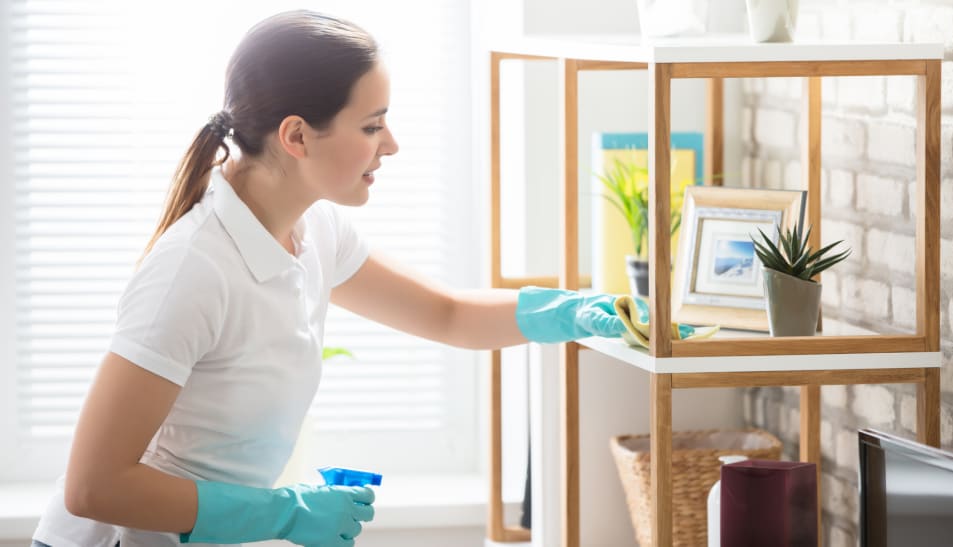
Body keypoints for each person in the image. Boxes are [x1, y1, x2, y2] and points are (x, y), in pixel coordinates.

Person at [30, 10, 638, 547]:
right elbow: (94, 486)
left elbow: (447, 314)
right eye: (372, 126)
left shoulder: (314, 230)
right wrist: (284, 513)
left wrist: (572, 311)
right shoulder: (194, 270)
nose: (392, 146)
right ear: (296, 136)